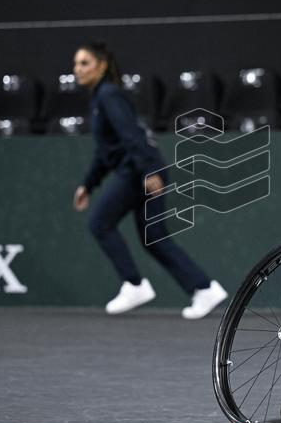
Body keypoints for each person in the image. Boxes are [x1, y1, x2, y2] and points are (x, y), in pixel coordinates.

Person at [72, 42, 228, 317]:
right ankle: (204, 289)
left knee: (100, 222)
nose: (77, 69)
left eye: (84, 63)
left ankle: (134, 284)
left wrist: (148, 172)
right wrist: (89, 183)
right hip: (143, 167)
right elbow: (106, 150)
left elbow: (130, 134)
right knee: (154, 236)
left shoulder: (108, 95)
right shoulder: (101, 98)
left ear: (102, 65)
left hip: (137, 170)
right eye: (76, 63)